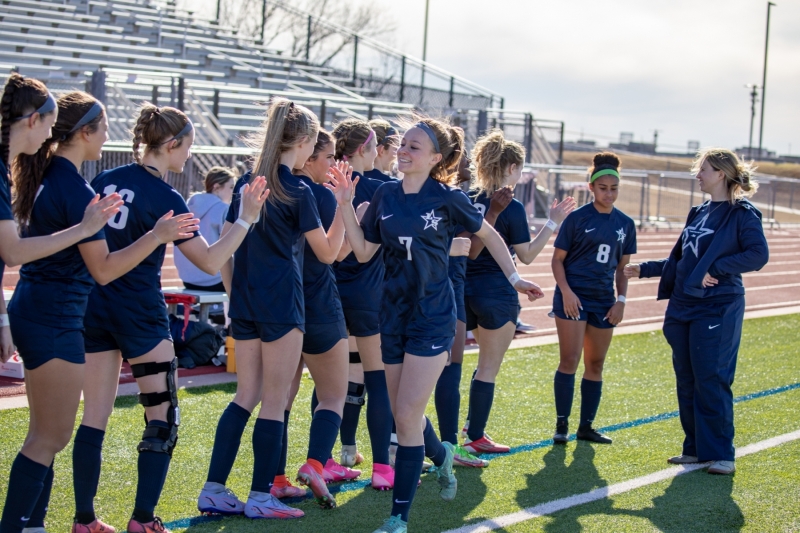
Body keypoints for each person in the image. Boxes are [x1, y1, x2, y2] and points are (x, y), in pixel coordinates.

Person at [337, 117, 544, 533]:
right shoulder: (384, 195)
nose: (404, 151)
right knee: (402, 414)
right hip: (392, 315)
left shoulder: (448, 198)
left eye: (415, 147)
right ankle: (443, 454)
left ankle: (398, 518)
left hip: (433, 317)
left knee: (409, 413)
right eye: (403, 145)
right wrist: (344, 202)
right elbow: (361, 253)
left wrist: (515, 277)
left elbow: (490, 234)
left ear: (434, 158)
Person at [76, 104, 268, 533]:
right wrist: (246, 219)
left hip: (94, 309)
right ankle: (143, 520)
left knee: (94, 418)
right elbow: (211, 258)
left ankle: (84, 519)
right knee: (161, 420)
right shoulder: (166, 197)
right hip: (140, 316)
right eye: (188, 146)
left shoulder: (104, 179)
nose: (189, 156)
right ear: (172, 143)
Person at [199, 98, 348, 520]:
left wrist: (235, 295)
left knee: (245, 395)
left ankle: (213, 488)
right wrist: (342, 203)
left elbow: (223, 252)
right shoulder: (299, 190)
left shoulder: (249, 182)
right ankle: (261, 495)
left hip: (245, 303)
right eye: (312, 145)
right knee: (274, 399)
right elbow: (329, 252)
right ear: (301, 142)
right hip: (282, 306)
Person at [0, 80, 135, 533]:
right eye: (102, 128)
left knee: (44, 435)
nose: (107, 135)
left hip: (35, 308)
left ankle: (32, 524)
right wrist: (154, 237)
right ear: (83, 133)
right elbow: (102, 270)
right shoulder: (73, 188)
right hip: (54, 315)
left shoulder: (37, 175)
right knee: (51, 436)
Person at [624, 148, 768, 475]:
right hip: (683, 306)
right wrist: (646, 269)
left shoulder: (742, 214)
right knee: (687, 380)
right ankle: (695, 449)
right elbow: (683, 262)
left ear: (721, 173)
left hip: (717, 306)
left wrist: (717, 266)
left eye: (703, 169)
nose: (697, 174)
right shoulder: (698, 212)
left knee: (711, 378)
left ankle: (722, 455)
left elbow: (758, 255)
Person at [461, 130, 575, 455]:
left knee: (463, 365)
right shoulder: (509, 205)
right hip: (497, 291)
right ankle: (475, 433)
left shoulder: (467, 196)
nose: (521, 174)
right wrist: (552, 223)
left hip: (462, 290)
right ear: (510, 167)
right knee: (487, 368)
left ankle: (466, 428)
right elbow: (526, 255)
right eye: (520, 168)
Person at [550, 152, 636, 445]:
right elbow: (557, 260)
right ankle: (561, 424)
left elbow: (623, 268)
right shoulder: (576, 219)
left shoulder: (625, 223)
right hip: (573, 298)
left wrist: (621, 300)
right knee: (570, 360)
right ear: (591, 187)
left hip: (603, 301)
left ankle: (586, 427)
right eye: (603, 188)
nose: (608, 193)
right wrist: (567, 292)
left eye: (614, 188)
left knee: (596, 364)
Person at [331, 118, 396, 489]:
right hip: (371, 296)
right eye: (374, 147)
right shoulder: (384, 187)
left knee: (335, 383)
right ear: (361, 150)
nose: (379, 154)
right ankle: (383, 468)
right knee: (378, 381)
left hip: (331, 296)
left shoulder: (325, 181)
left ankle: (335, 454)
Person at [433, 149, 489, 468]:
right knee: (449, 371)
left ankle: (443, 446)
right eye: (463, 158)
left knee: (446, 371)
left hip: (448, 288)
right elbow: (472, 247)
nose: (470, 164)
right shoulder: (451, 197)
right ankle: (447, 448)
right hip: (445, 291)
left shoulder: (451, 195)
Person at [175, 166, 237, 292]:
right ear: (216, 187)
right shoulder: (223, 209)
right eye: (231, 187)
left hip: (188, 280)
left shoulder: (187, 207)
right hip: (215, 280)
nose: (233, 193)